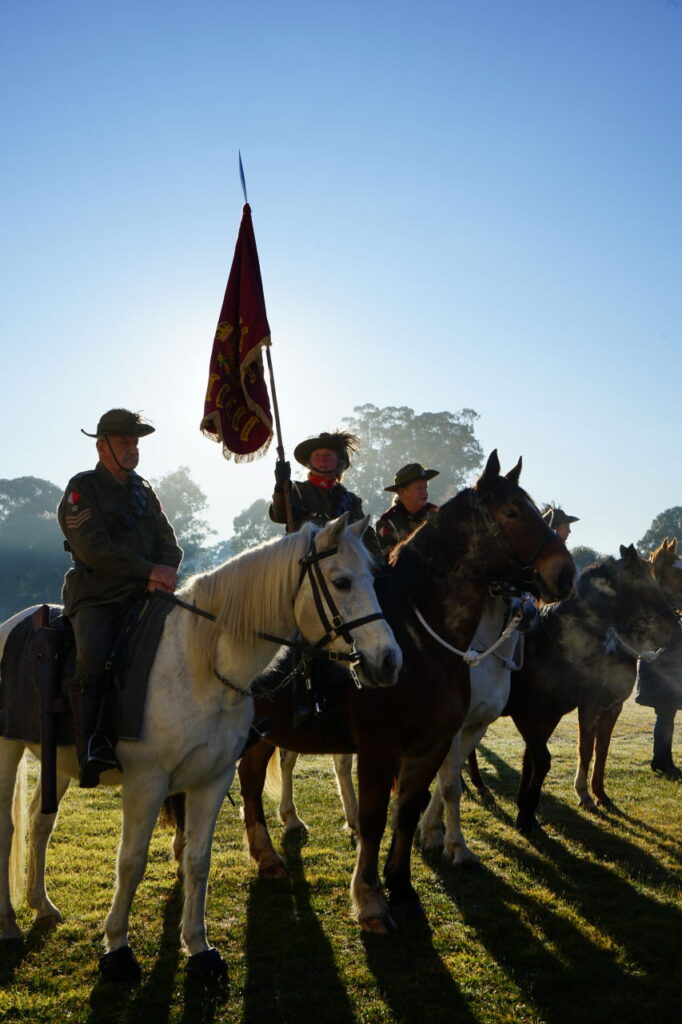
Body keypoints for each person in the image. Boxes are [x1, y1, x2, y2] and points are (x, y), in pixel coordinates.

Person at [57, 408, 183, 788]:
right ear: (102, 447)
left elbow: (168, 542)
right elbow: (93, 547)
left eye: (135, 442)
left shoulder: (143, 490)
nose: (132, 449)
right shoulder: (82, 489)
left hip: (146, 594)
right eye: (124, 442)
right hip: (98, 597)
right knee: (93, 654)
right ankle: (92, 744)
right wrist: (147, 571)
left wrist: (164, 570)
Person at [270, 430, 378, 554]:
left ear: (339, 462)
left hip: (344, 564)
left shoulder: (352, 501)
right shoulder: (297, 491)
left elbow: (367, 537)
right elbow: (280, 516)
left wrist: (379, 566)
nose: (322, 459)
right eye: (317, 455)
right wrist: (281, 486)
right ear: (309, 462)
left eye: (328, 455)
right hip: (303, 562)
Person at [375, 463, 439, 558]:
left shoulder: (435, 513)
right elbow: (389, 559)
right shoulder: (387, 523)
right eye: (419, 488)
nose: (424, 492)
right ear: (402, 492)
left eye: (425, 487)